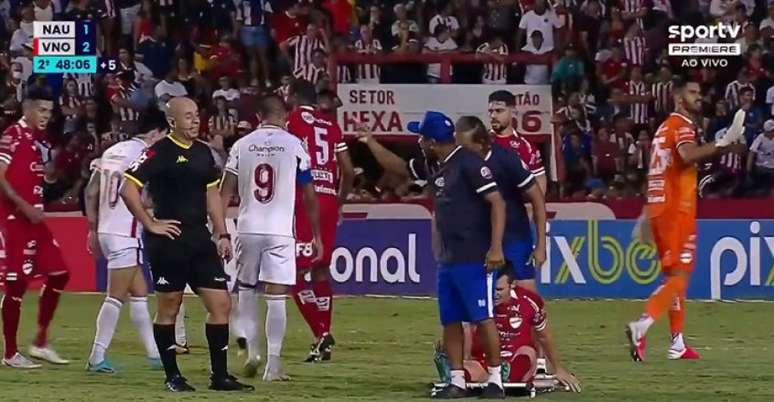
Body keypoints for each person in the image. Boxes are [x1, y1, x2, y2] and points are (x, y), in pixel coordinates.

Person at [121, 97, 252, 392]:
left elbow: (212, 196)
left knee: (221, 304)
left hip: (199, 239)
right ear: (172, 122)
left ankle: (219, 376)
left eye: (196, 115)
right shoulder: (158, 152)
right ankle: (173, 376)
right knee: (169, 305)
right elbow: (127, 188)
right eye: (188, 116)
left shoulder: (204, 153)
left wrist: (222, 232)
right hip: (168, 241)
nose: (195, 120)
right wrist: (151, 223)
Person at [627, 78, 747, 362]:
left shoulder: (663, 128)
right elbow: (687, 155)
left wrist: (724, 148)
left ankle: (677, 343)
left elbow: (676, 164)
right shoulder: (681, 124)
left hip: (660, 206)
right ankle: (641, 325)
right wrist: (722, 142)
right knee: (680, 277)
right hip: (675, 209)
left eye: (700, 92)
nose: (699, 97)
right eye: (693, 93)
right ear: (679, 98)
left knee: (673, 276)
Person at [220, 94, 323, 381]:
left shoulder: (242, 145)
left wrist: (221, 230)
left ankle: (252, 352)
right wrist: (316, 234)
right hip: (279, 230)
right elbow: (309, 194)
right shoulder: (295, 145)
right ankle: (273, 364)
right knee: (277, 296)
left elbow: (225, 191)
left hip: (248, 226)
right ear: (286, 115)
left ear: (258, 117)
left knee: (247, 290)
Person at [409, 111, 507, 399]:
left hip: (474, 256)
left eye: (421, 137)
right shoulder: (441, 167)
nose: (418, 142)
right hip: (448, 259)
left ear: (432, 141)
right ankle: (457, 379)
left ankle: (496, 379)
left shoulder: (468, 164)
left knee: (482, 317)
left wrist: (496, 247)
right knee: (450, 319)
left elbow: (497, 203)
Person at [84, 112, 167, 373]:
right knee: (115, 298)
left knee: (139, 292)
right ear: (155, 133)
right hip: (124, 232)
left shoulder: (111, 151)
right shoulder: (145, 155)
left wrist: (92, 229)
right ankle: (96, 356)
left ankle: (155, 355)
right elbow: (143, 197)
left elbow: (90, 191)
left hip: (108, 230)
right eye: (164, 137)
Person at [0, 87, 70, 369]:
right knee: (15, 285)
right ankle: (10, 353)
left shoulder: (35, 140)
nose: (46, 116)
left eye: (49, 111)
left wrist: (48, 184)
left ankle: (40, 343)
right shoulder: (11, 137)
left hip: (35, 223)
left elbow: (29, 178)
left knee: (60, 274)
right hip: (15, 221)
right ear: (26, 108)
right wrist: (23, 205)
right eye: (41, 110)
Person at [286, 80, 354, 363]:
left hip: (304, 198)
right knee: (321, 269)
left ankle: (321, 333)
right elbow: (348, 171)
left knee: (295, 274)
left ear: (291, 97)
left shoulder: (290, 122)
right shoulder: (330, 125)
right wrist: (339, 201)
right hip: (328, 198)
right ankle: (322, 338)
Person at [435, 268, 580, 393]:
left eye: (499, 290)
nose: (494, 294)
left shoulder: (529, 302)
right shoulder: (476, 298)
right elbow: (464, 330)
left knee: (528, 354)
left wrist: (558, 368)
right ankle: (462, 377)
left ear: (512, 285)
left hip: (515, 358)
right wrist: (460, 359)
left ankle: (504, 375)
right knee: (466, 369)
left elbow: (544, 336)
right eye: (491, 290)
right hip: (484, 362)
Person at [455, 116, 547, 292]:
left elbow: (537, 199)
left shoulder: (507, 160)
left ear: (480, 142)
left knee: (525, 296)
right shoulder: (461, 163)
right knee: (479, 301)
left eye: (465, 146)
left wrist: (541, 244)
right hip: (480, 240)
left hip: (514, 237)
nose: (461, 151)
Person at [487, 90, 547, 194]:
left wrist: (536, 207)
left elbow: (539, 179)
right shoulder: (481, 141)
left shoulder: (526, 146)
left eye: (499, 111)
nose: (493, 115)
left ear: (513, 112)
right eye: (491, 111)